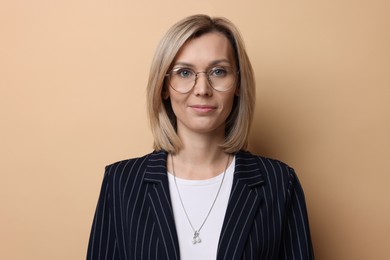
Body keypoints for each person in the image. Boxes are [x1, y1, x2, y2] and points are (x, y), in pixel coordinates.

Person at [87, 14, 314, 260]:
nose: (202, 89)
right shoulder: (121, 183)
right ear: (164, 86)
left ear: (238, 83)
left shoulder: (280, 183)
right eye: (184, 72)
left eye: (218, 71)